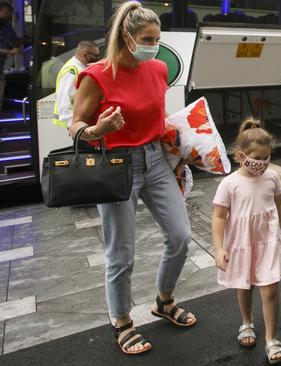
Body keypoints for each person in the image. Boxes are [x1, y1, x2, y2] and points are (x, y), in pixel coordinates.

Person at [69, 1, 196, 355]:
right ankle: (122, 321)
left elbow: (159, 118)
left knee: (181, 235)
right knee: (121, 252)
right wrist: (98, 128)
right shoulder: (96, 75)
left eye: (157, 38)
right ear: (126, 36)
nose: (153, 45)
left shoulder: (156, 69)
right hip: (115, 164)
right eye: (147, 38)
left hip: (156, 159)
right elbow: (75, 127)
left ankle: (164, 300)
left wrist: (177, 157)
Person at [212, 118, 281, 364]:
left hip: (268, 240)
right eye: (257, 158)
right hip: (240, 242)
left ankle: (271, 338)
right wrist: (218, 248)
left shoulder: (272, 178)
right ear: (241, 156)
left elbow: (279, 204)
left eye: (266, 158)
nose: (262, 163)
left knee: (270, 290)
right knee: (245, 285)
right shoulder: (229, 183)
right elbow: (218, 217)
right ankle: (247, 322)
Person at [53, 40, 100, 129]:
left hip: (81, 122)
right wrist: (73, 125)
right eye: (95, 56)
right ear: (85, 54)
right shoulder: (72, 70)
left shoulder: (82, 67)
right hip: (77, 124)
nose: (97, 59)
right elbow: (65, 98)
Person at [0, 2, 21, 111]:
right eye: (6, 14)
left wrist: (24, 41)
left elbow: (14, 40)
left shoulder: (7, 26)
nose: (8, 17)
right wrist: (10, 52)